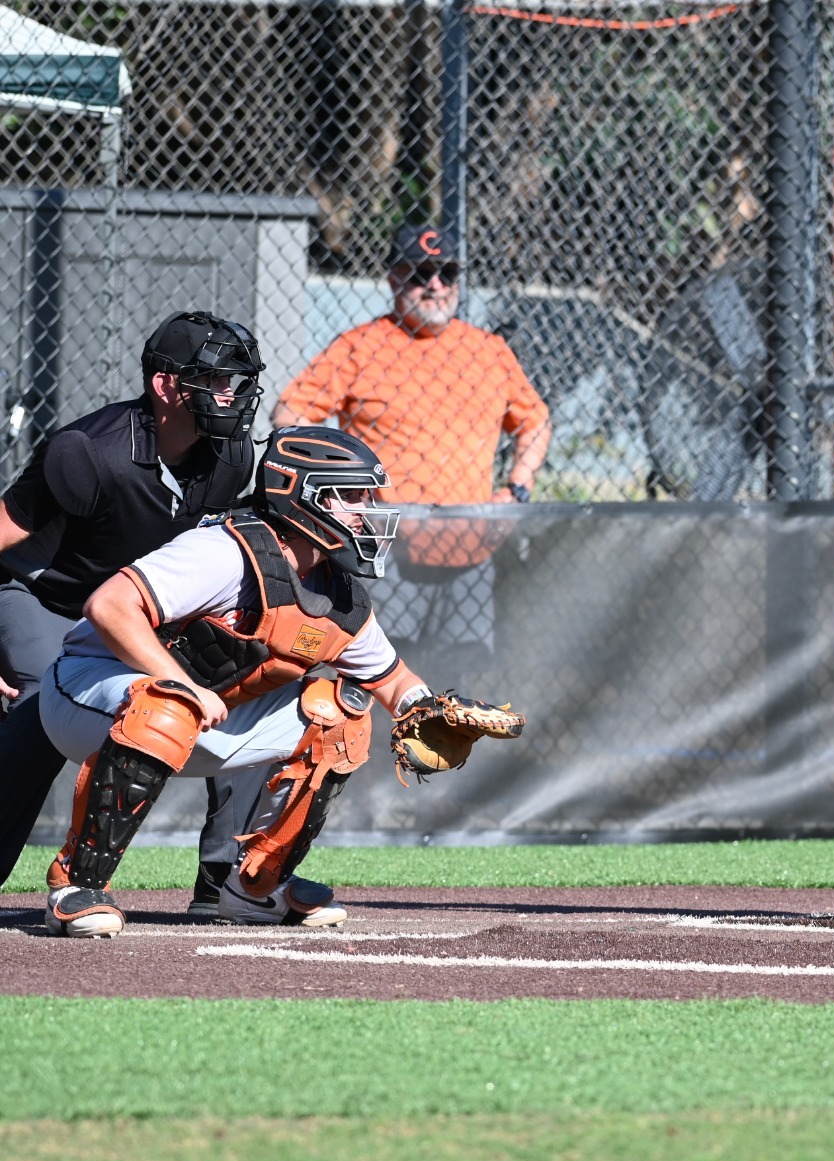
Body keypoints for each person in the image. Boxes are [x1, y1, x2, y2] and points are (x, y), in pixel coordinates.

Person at [38, 426, 513, 938]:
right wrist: (183, 684)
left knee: (341, 717)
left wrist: (427, 708)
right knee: (168, 703)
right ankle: (77, 885)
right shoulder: (224, 551)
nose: (368, 511)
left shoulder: (338, 592)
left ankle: (256, 887)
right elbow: (108, 606)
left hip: (193, 714)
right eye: (352, 497)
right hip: (85, 690)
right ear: (303, 496)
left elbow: (393, 681)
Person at [0, 311, 267, 913]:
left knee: (232, 686)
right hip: (46, 601)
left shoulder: (231, 457)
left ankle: (230, 881)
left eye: (240, 381)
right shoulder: (88, 454)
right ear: (166, 386)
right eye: (219, 380)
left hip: (139, 614)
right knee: (46, 700)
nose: (236, 395)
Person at [271, 224, 550, 671]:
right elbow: (289, 414)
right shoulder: (361, 347)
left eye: (447, 273)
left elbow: (535, 421)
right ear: (394, 280)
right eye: (421, 273)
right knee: (378, 670)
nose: (435, 285)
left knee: (465, 672)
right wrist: (342, 492)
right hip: (385, 550)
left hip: (472, 547)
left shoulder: (487, 351)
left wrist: (516, 491)